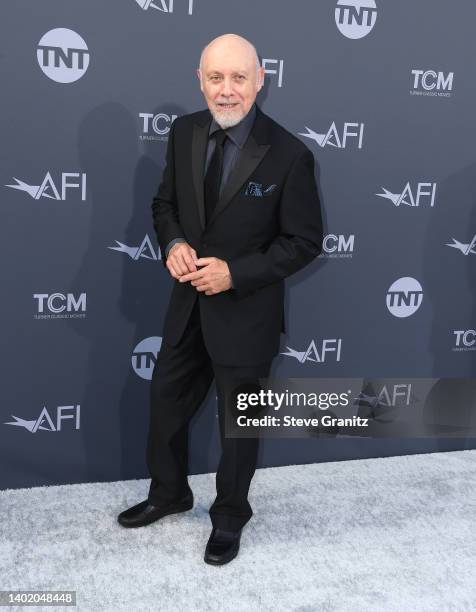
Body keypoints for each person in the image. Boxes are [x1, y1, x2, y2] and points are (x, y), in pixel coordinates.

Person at [118, 33, 323, 565]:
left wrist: (236, 273)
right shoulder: (183, 132)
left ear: (260, 80)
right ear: (200, 81)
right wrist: (175, 242)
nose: (226, 90)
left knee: (240, 428)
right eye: (216, 78)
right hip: (187, 306)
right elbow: (165, 204)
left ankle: (230, 515)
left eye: (238, 77)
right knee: (165, 404)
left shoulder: (290, 155)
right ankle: (169, 493)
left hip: (246, 315)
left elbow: (304, 242)